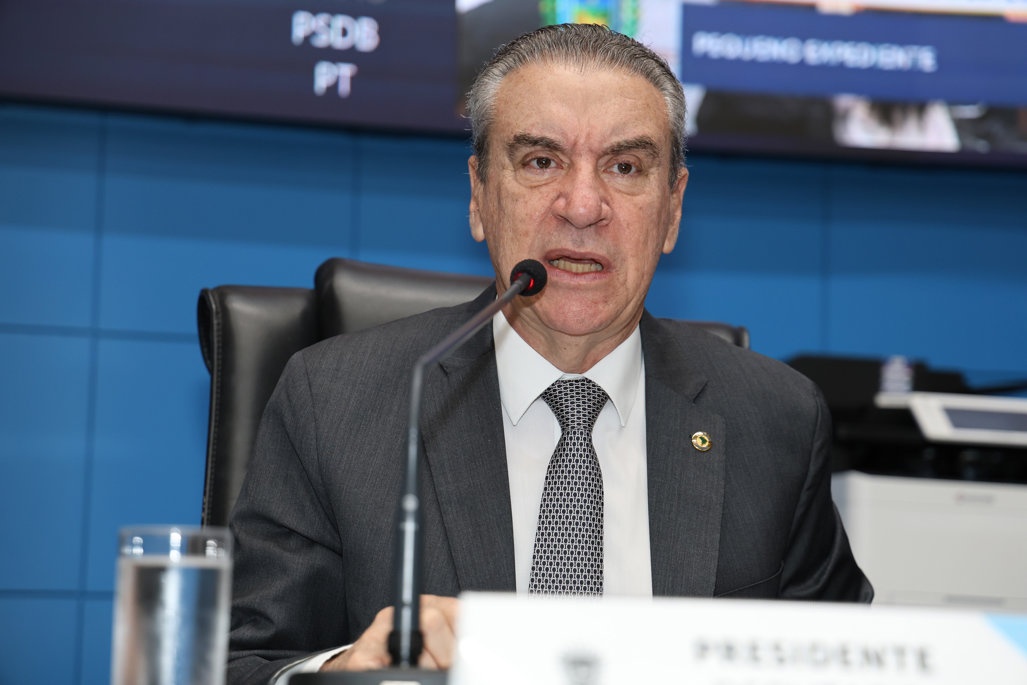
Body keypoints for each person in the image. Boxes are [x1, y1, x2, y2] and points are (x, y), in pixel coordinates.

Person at [227, 23, 873, 684]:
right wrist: (344, 672)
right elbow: (241, 662)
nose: (583, 206)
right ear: (479, 196)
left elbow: (849, 665)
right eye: (541, 161)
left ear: (673, 209)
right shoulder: (333, 402)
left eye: (625, 167)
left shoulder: (775, 420)